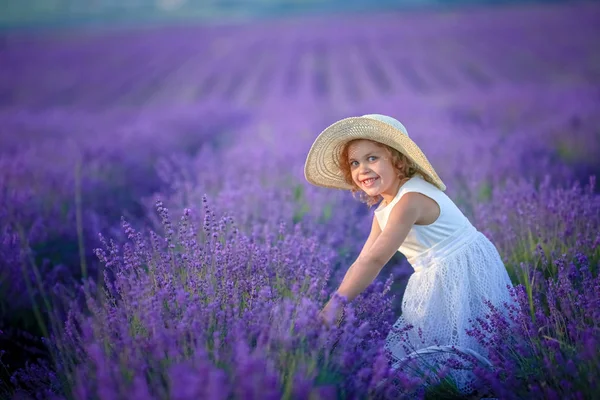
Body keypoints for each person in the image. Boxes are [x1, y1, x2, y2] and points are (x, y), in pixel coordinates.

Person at [303, 114, 514, 393]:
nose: (362, 169)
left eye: (372, 158)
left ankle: (478, 388)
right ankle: (449, 389)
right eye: (355, 163)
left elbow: (376, 260)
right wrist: (336, 299)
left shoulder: (410, 199)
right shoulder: (384, 209)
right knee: (432, 345)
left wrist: (337, 304)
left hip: (463, 269)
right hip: (433, 274)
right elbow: (362, 259)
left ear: (398, 160)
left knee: (467, 342)